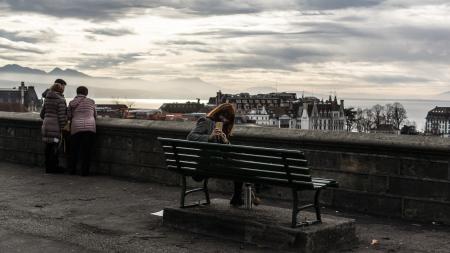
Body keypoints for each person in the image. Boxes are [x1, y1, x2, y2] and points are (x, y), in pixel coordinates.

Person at [186, 103, 245, 206]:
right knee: (240, 168)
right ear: (218, 113)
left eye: (228, 118)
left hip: (213, 165)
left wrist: (225, 141)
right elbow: (190, 136)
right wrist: (209, 137)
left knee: (239, 166)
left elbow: (227, 152)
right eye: (224, 116)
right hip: (206, 166)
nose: (225, 120)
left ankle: (237, 197)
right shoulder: (207, 122)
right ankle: (237, 198)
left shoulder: (222, 127)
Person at [68, 86, 97, 176]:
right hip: (89, 128)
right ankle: (85, 172)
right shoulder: (91, 102)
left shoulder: (72, 103)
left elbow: (68, 116)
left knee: (74, 150)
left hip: (76, 128)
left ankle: (72, 170)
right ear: (86, 93)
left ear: (77, 93)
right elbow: (95, 115)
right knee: (87, 151)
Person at [40, 81, 67, 173]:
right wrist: (63, 127)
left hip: (45, 125)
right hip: (55, 127)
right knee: (55, 147)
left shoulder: (47, 99)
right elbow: (61, 116)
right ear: (60, 90)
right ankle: (54, 167)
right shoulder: (61, 100)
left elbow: (42, 114)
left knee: (48, 147)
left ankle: (48, 167)